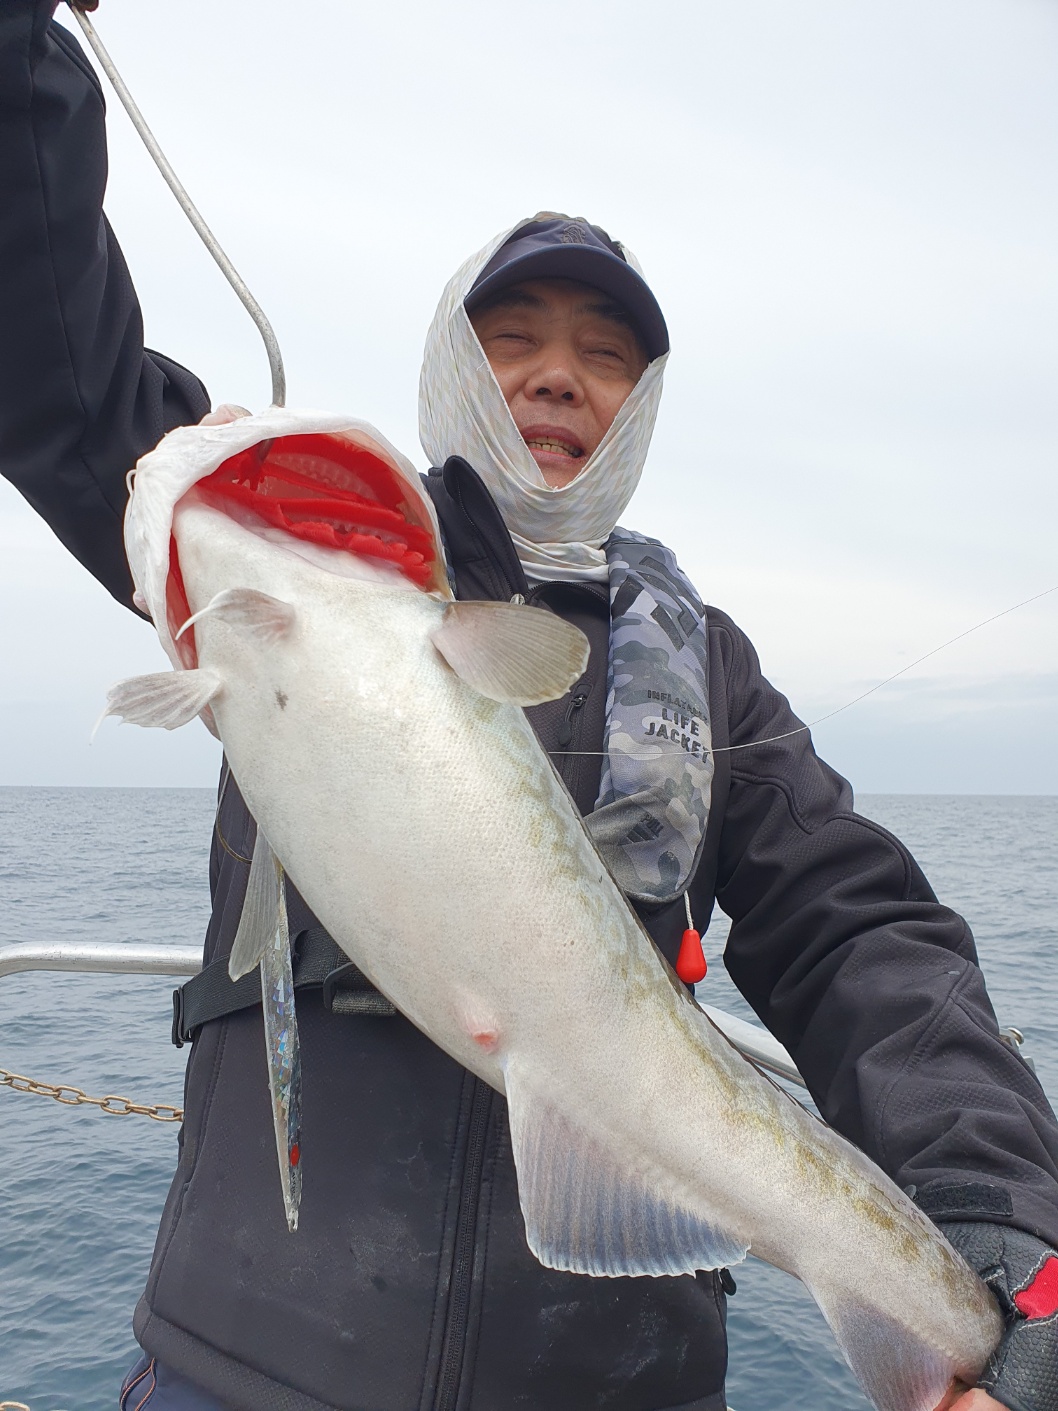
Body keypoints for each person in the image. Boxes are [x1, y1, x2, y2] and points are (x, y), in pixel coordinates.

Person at [2, 5, 1057, 1410]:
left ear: (640, 402)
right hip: (252, 1362)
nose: (559, 372)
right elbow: (55, 354)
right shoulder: (278, 538)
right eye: (512, 334)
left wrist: (1002, 1239)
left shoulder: (706, 667)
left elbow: (862, 934)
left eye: (605, 355)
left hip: (611, 1377)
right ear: (453, 360)